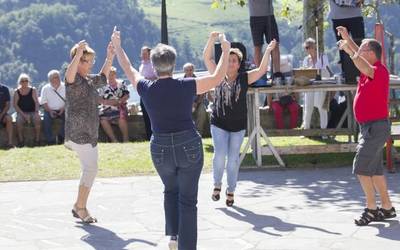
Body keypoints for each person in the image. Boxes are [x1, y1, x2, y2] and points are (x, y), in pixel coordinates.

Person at [112, 28, 230, 250]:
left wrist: (118, 46)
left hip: (160, 148)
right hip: (188, 145)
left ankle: (173, 237)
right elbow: (217, 78)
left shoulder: (146, 87)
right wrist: (224, 50)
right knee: (187, 201)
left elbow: (127, 67)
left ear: (154, 66)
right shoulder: (187, 85)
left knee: (170, 189)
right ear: (174, 64)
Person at [204, 31, 276, 207]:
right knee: (220, 155)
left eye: (234, 60)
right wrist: (212, 39)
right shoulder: (217, 75)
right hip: (219, 122)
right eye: (228, 59)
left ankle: (231, 190)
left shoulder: (244, 78)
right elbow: (207, 58)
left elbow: (261, 71)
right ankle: (217, 185)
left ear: (238, 64)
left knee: (234, 159)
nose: (230, 63)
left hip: (238, 125)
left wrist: (267, 51)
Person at [337, 26, 396, 226]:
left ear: (371, 54)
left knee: (361, 167)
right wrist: (348, 37)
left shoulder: (378, 70)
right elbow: (361, 56)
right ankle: (387, 207)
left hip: (375, 127)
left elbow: (362, 62)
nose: (358, 52)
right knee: (375, 170)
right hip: (370, 127)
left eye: (362, 50)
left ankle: (371, 209)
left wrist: (350, 50)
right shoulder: (369, 65)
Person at [64, 40, 114, 224]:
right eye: (89, 61)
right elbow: (69, 74)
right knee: (90, 169)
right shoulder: (73, 79)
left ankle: (79, 205)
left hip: (89, 133)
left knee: (89, 169)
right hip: (79, 133)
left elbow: (103, 76)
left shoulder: (88, 80)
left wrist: (110, 56)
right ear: (80, 61)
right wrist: (77, 54)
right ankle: (80, 207)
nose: (92, 63)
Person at [329, 0, 365, 83]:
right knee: (342, 46)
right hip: (338, 16)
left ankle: (363, 71)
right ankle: (345, 73)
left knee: (360, 45)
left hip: (355, 16)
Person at [248, 0, 283, 80]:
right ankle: (259, 74)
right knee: (257, 46)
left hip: (269, 15)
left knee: (275, 44)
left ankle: (277, 73)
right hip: (255, 16)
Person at [302, 38, 330, 134]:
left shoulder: (322, 57)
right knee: (308, 107)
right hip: (309, 85)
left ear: (314, 47)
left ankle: (324, 132)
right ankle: (306, 130)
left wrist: (315, 69)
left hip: (320, 84)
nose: (308, 49)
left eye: (309, 47)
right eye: (306, 47)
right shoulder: (306, 59)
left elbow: (325, 71)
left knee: (321, 108)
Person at [99, 66, 130, 142]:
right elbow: (99, 99)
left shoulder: (122, 83)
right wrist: (108, 102)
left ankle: (126, 139)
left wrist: (119, 101)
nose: (110, 76)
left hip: (120, 107)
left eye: (112, 74)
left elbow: (127, 95)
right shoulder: (102, 86)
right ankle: (114, 140)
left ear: (115, 75)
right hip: (107, 108)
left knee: (121, 118)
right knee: (103, 120)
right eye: (109, 75)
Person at [13, 74, 41, 147]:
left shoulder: (33, 90)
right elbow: (15, 105)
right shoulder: (17, 91)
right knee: (18, 121)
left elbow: (36, 102)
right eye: (22, 81)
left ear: (28, 81)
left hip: (32, 111)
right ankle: (21, 141)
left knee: (37, 119)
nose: (24, 82)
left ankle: (37, 140)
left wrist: (36, 112)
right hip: (21, 112)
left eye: (26, 81)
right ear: (20, 82)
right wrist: (24, 115)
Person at [40, 70, 66, 145]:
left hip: (63, 109)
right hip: (49, 110)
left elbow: (69, 100)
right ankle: (50, 140)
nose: (58, 78)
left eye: (58, 76)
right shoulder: (45, 88)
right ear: (50, 79)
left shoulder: (65, 87)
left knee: (68, 119)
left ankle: (62, 136)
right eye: (55, 77)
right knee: (46, 120)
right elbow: (43, 102)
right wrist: (50, 111)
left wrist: (63, 108)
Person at [139, 46, 157, 140]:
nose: (143, 55)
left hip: (152, 93)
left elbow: (157, 78)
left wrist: (146, 80)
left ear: (150, 54)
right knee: (145, 115)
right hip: (143, 93)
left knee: (153, 115)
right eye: (142, 54)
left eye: (145, 54)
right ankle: (149, 136)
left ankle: (155, 135)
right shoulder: (141, 65)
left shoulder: (154, 64)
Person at [0, 82, 14, 148]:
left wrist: (1, 115)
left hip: (3, 114)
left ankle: (10, 143)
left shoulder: (5, 89)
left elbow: (8, 105)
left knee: (9, 118)